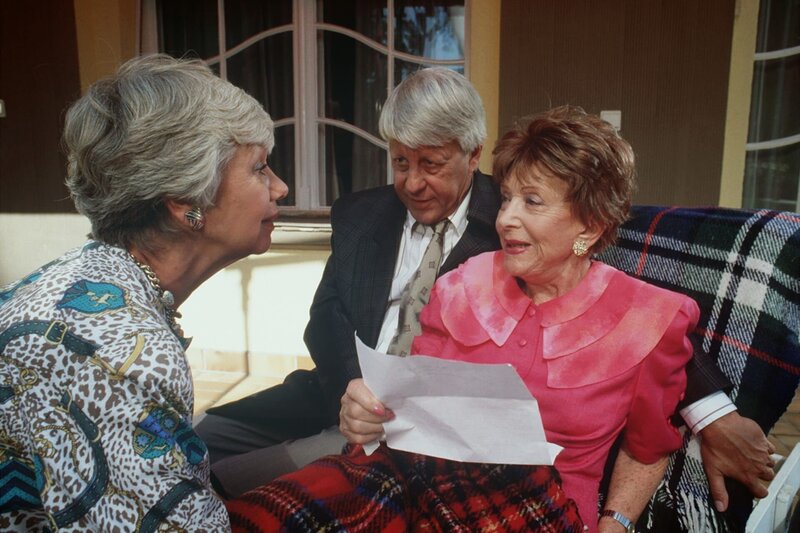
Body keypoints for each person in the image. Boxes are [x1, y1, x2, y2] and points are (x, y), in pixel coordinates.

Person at [197, 67, 776, 513]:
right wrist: (362, 391)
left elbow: (628, 321)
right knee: (199, 446)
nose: (412, 182)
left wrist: (713, 413)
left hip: (450, 461)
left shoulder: (522, 222)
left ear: (473, 157)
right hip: (353, 406)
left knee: (237, 492)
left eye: (431, 163)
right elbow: (325, 318)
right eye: (399, 162)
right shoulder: (364, 216)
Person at [0, 54, 288, 531]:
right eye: (259, 168)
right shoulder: (124, 356)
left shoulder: (84, 281)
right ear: (187, 203)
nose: (280, 187)